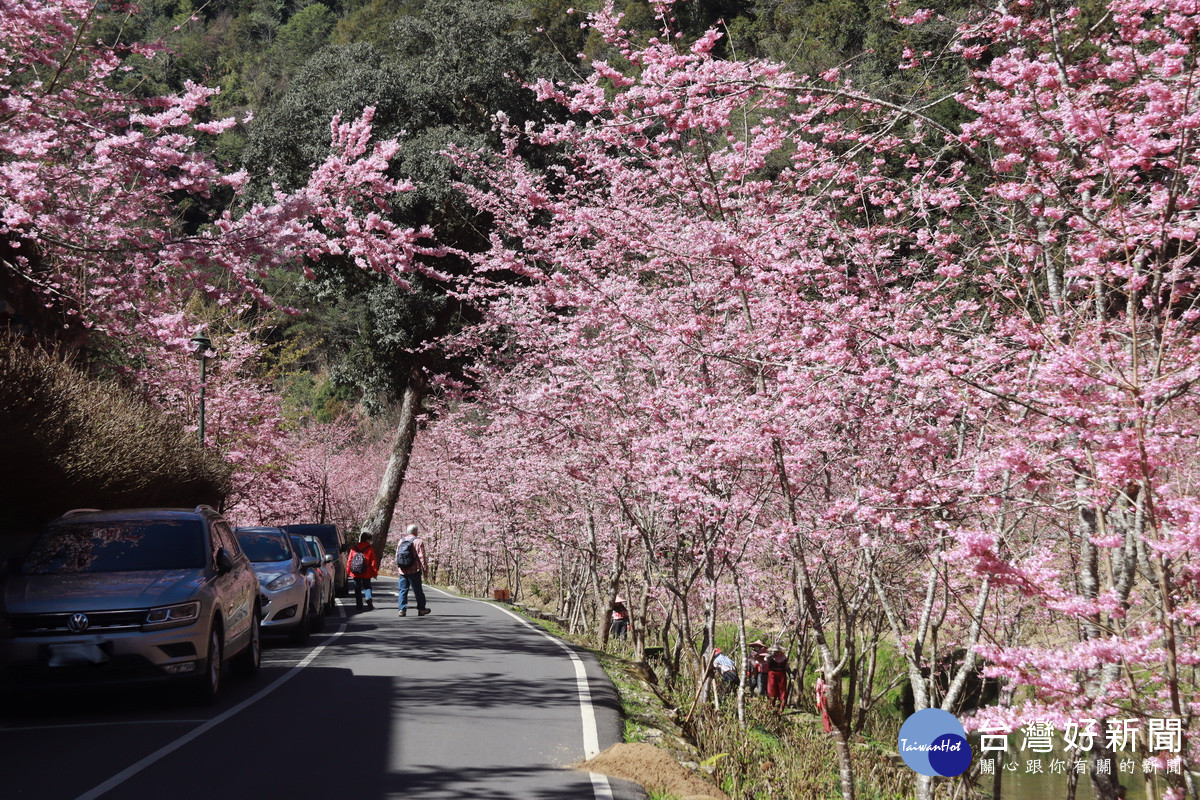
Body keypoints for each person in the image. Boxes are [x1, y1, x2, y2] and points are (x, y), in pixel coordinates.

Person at [396, 523, 431, 617]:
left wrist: (399, 568)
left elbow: (397, 555)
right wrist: (425, 570)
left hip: (402, 570)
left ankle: (401, 610)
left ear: (408, 532)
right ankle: (421, 609)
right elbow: (422, 557)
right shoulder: (418, 541)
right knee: (418, 590)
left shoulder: (401, 541)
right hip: (414, 570)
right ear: (416, 531)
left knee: (402, 590)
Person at [347, 532, 379, 611]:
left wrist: (348, 571)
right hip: (366, 571)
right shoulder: (369, 549)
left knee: (357, 588)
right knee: (367, 586)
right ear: (367, 540)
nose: (371, 541)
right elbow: (373, 562)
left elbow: (349, 560)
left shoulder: (354, 548)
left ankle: (359, 605)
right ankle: (368, 597)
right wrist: (374, 573)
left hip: (355, 572)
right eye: (370, 540)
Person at [766, 646, 790, 710]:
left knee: (782, 691)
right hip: (772, 675)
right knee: (772, 691)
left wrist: (791, 675)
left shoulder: (784, 657)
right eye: (775, 651)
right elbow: (765, 659)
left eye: (778, 651)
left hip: (781, 675)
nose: (777, 652)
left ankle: (781, 707)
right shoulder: (770, 657)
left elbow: (787, 667)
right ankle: (771, 707)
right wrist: (771, 654)